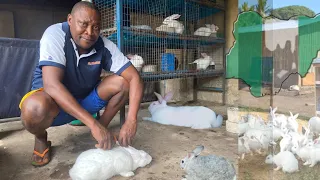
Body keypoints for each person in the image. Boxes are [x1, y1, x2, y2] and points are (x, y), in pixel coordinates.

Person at [19, 1, 143, 167]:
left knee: (123, 82)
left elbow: (135, 77)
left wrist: (131, 120)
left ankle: (101, 129)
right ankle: (41, 137)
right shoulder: (55, 34)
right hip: (54, 106)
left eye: (96, 27)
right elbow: (52, 86)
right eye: (83, 24)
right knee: (33, 109)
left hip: (84, 101)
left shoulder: (104, 45)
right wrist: (92, 124)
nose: (90, 33)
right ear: (70, 20)